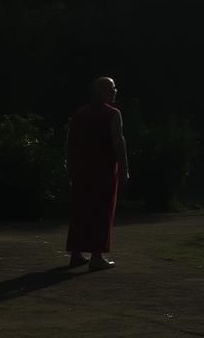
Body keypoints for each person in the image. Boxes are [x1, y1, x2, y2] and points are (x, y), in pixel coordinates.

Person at [65, 76, 130, 270]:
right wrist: (125, 168)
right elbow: (118, 143)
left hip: (81, 169)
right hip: (103, 170)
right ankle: (96, 256)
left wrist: (69, 167)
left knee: (81, 210)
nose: (115, 91)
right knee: (101, 211)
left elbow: (70, 142)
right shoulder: (113, 114)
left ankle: (76, 253)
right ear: (102, 91)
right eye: (112, 88)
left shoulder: (80, 113)